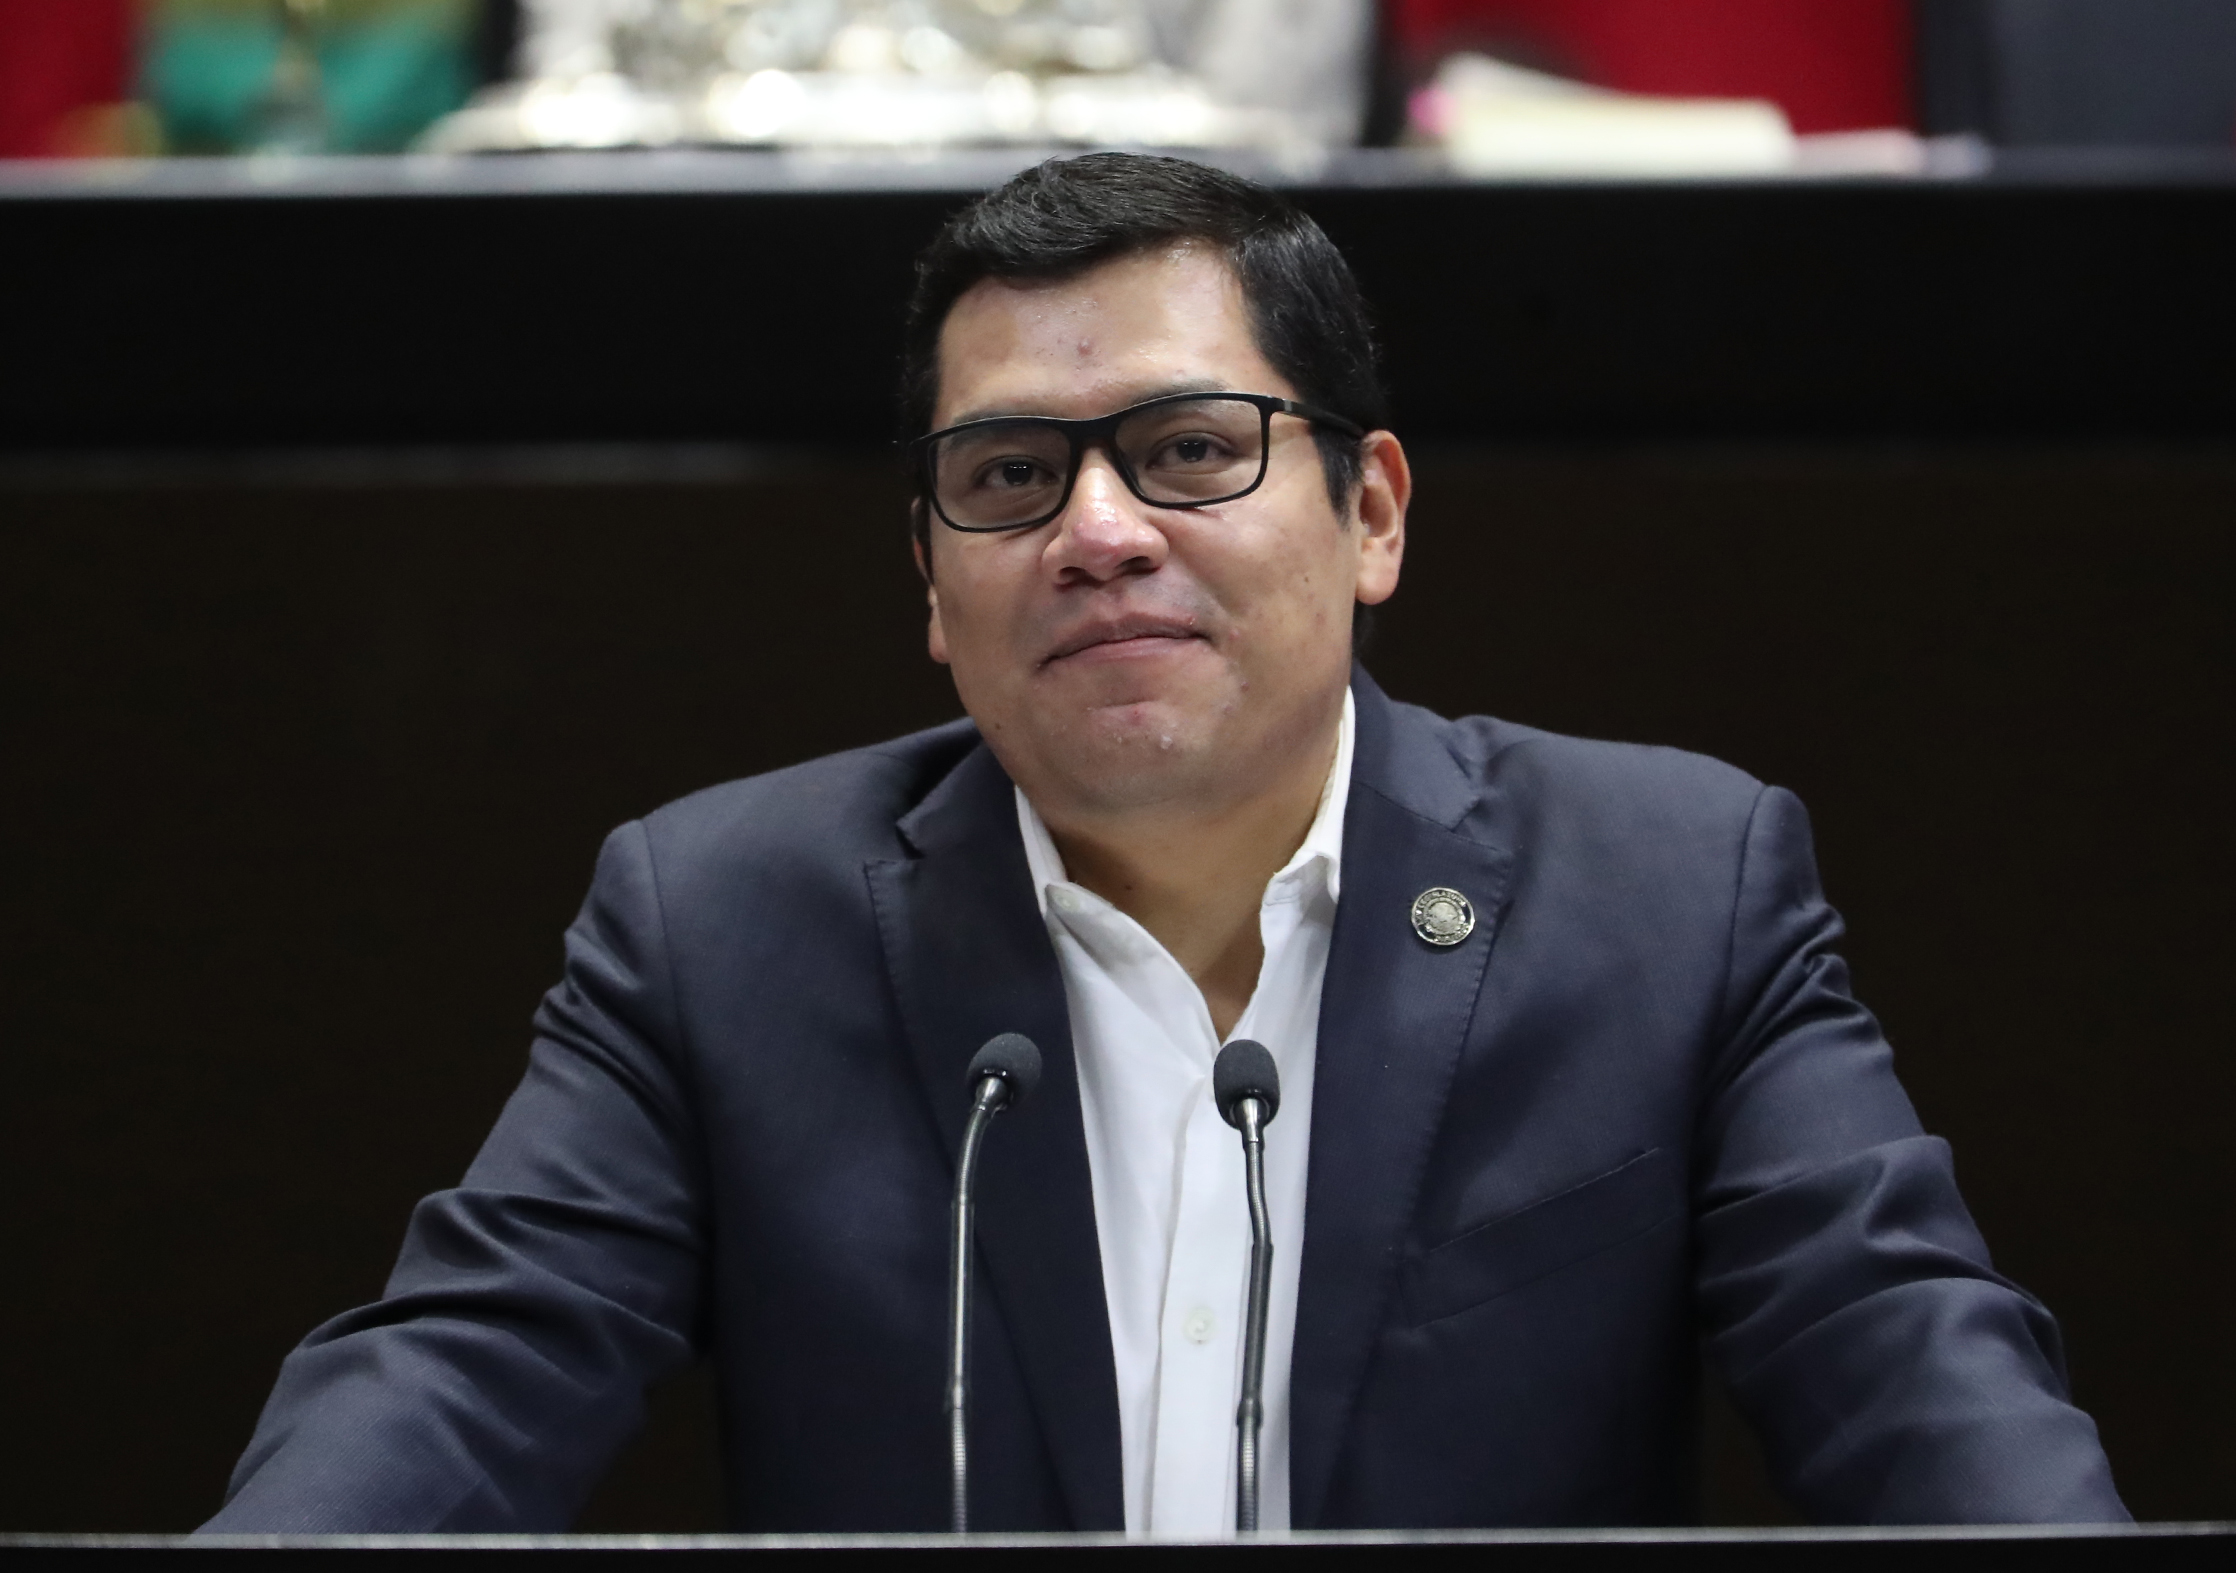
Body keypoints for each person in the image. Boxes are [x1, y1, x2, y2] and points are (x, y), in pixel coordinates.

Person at [204, 153, 2126, 1536]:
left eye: (1191, 447)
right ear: (931, 582)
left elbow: (1909, 1369)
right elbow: (467, 1370)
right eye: (1009, 474)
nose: (1099, 531)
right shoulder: (719, 924)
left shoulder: (1669, 888)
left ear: (1370, 513)